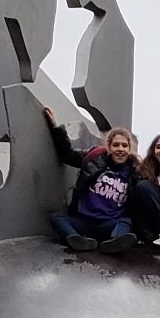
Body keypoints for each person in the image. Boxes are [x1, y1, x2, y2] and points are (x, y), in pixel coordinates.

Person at [44, 108, 141, 253]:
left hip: (109, 224)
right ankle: (78, 240)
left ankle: (115, 242)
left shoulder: (134, 172)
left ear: (129, 149)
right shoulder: (94, 158)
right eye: (116, 145)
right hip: (83, 221)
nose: (120, 149)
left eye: (124, 145)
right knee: (56, 218)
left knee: (125, 222)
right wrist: (56, 128)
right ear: (109, 147)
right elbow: (68, 155)